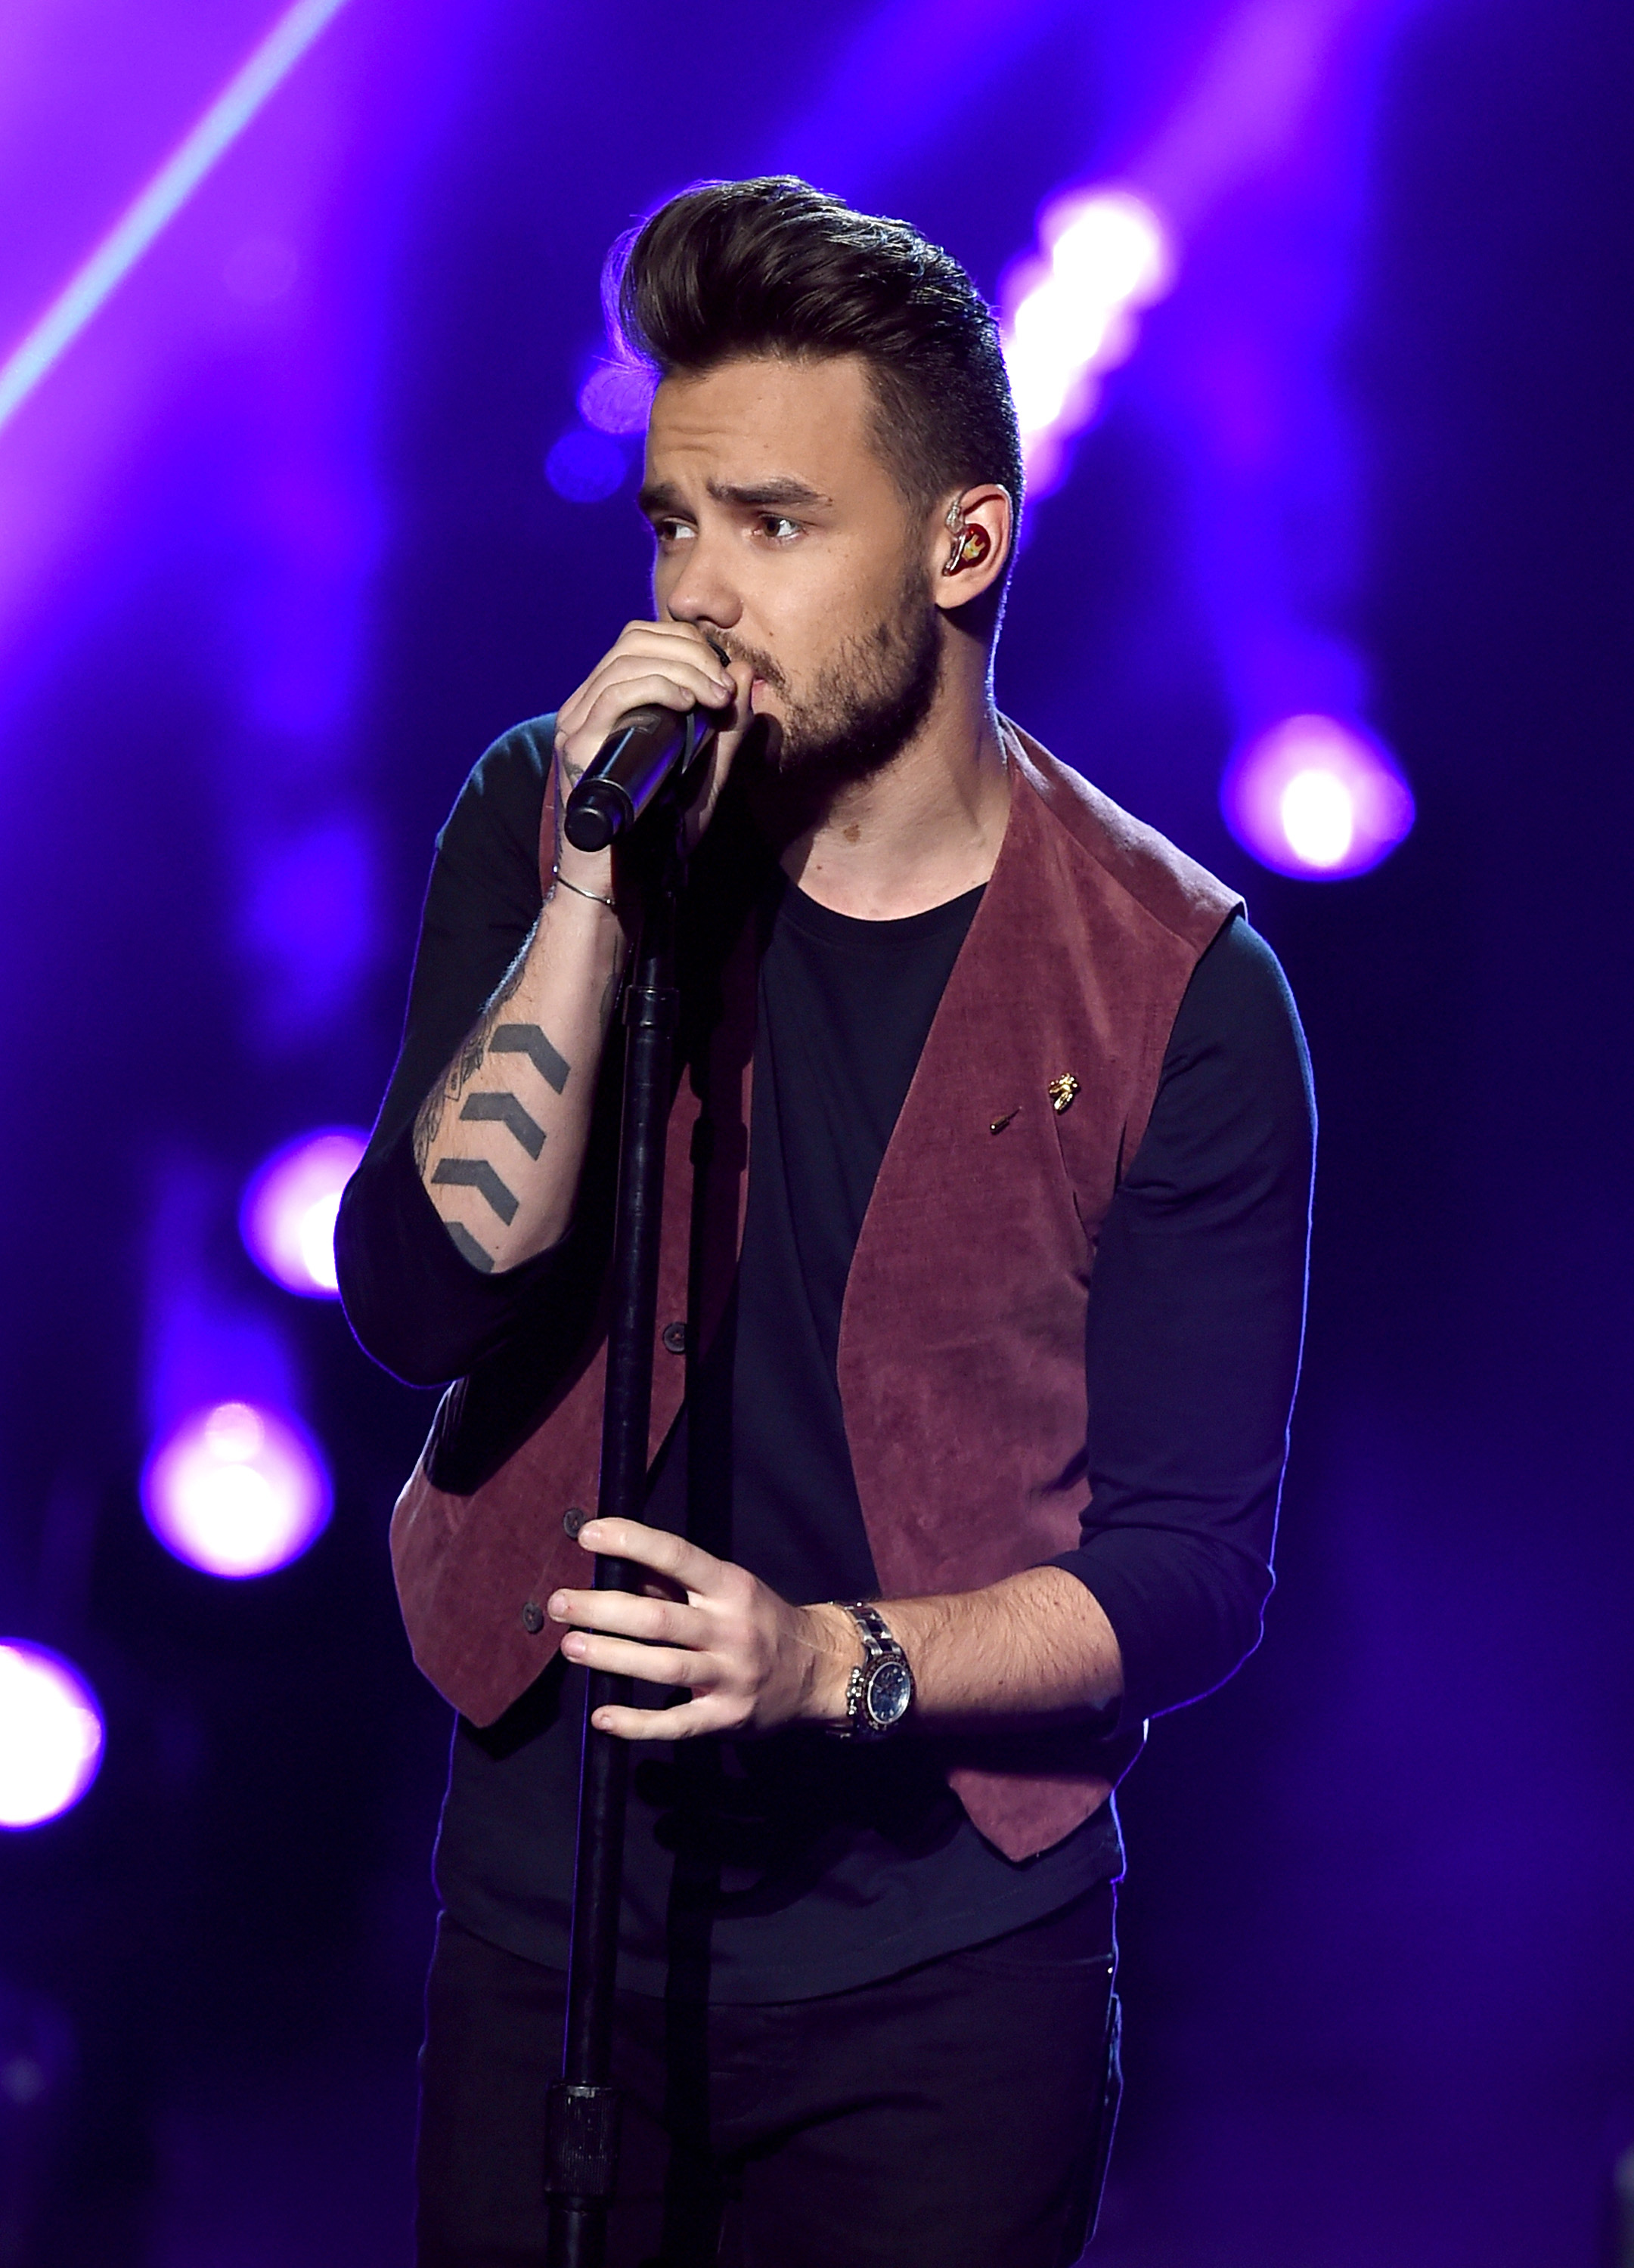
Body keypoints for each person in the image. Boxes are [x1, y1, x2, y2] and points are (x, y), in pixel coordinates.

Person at [337, 175, 1314, 2268]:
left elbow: (1191, 1574)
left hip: (939, 1977)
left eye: (776, 527)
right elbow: (420, 1303)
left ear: (964, 544)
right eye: (673, 525)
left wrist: (827, 1666)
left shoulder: (1176, 986)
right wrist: (591, 893)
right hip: (556, 1917)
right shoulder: (548, 815)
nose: (699, 597)